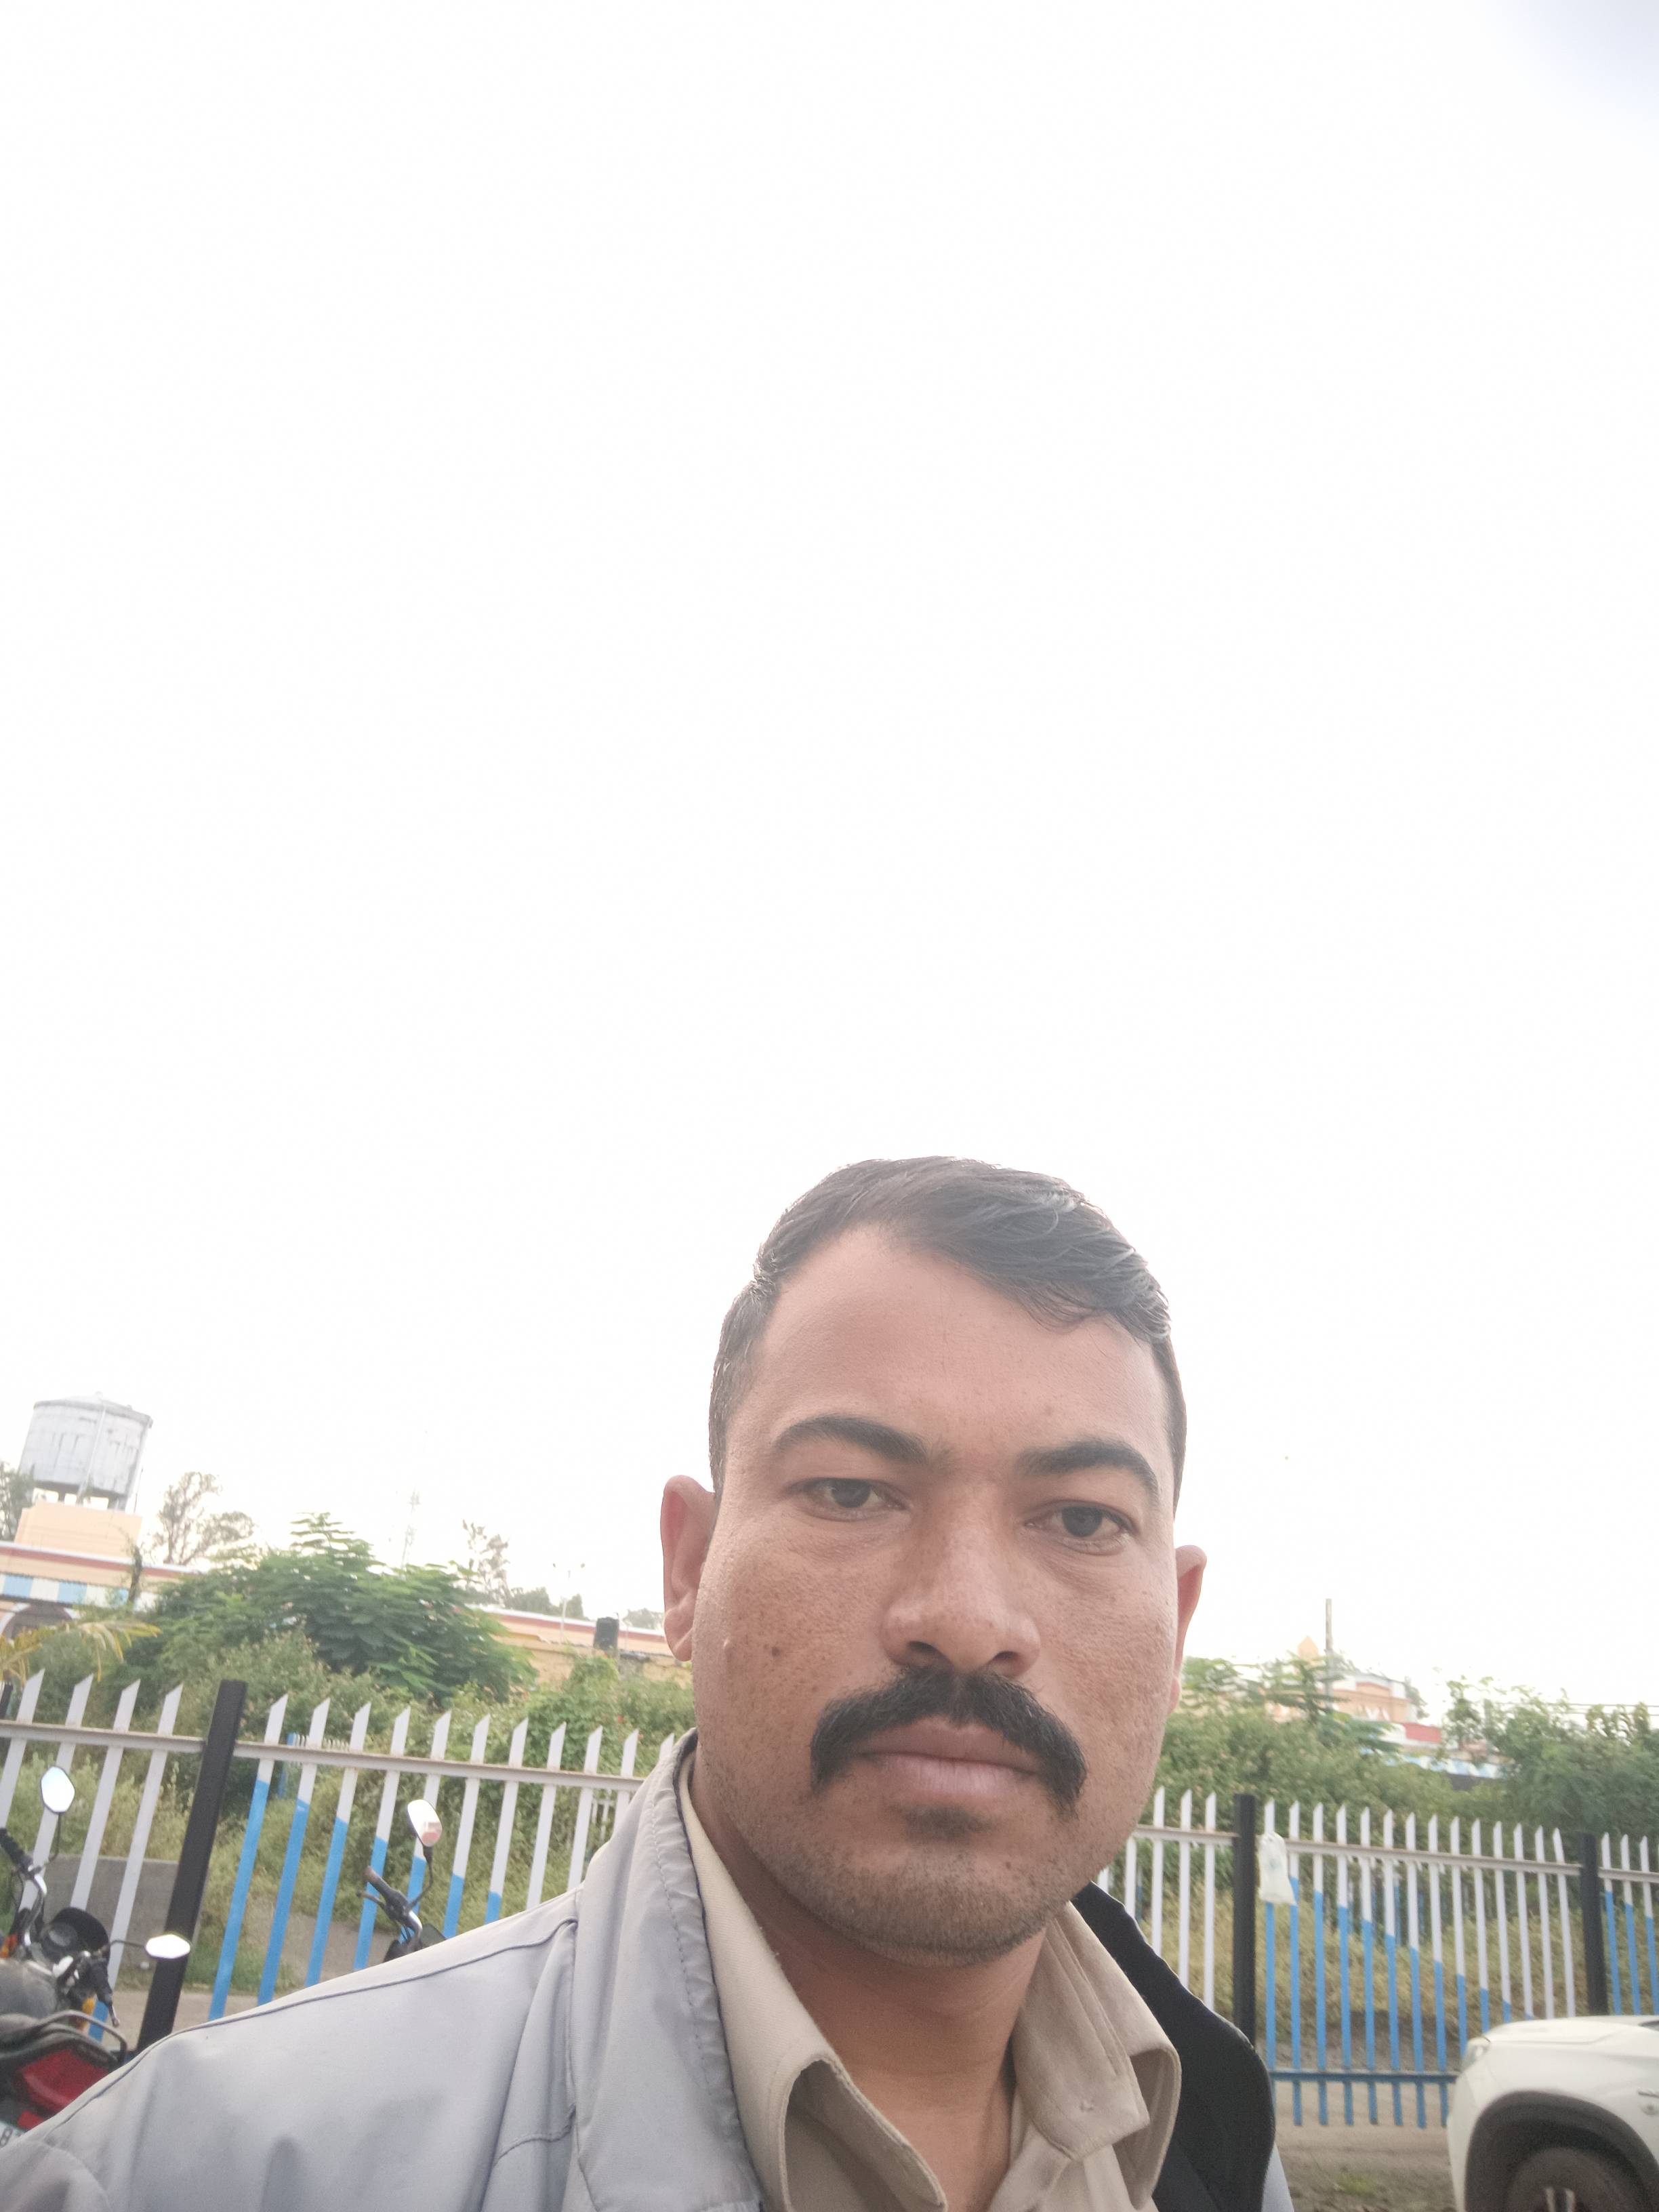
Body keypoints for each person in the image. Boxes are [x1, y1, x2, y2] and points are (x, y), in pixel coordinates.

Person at [10, 1156, 1290, 2212]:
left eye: (1082, 1520)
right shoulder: (205, 2170)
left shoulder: (1218, 2145)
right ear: (688, 1571)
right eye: (851, 1491)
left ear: (1176, 1626)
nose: (966, 1622)